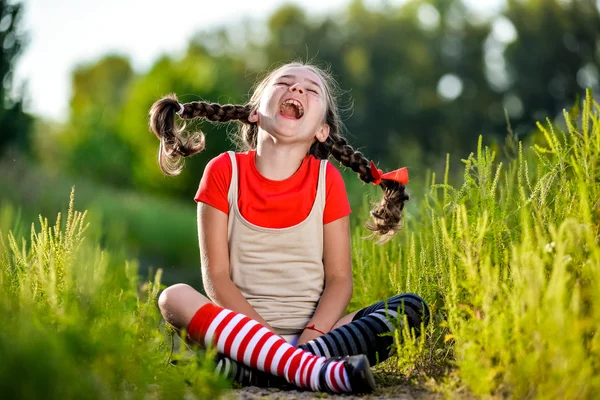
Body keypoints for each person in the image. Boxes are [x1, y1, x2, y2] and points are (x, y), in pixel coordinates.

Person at [149, 62, 430, 394]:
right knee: (173, 298)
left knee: (411, 308)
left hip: (319, 335)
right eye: (284, 83)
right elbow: (217, 279)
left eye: (311, 90)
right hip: (242, 335)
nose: (296, 89)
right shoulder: (224, 171)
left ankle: (266, 370)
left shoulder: (328, 181)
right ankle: (311, 369)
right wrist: (265, 341)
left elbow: (340, 281)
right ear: (254, 112)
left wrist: (311, 335)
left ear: (322, 131)